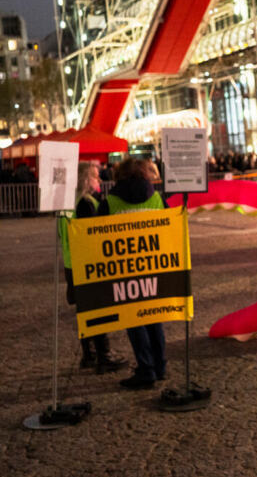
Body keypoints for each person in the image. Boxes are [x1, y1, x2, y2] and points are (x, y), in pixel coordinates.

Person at [97, 157, 168, 390]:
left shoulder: (111, 202)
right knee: (154, 316)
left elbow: (96, 236)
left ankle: (146, 369)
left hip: (125, 271)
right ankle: (160, 366)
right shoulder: (157, 199)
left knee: (134, 319)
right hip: (155, 268)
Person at [61, 162, 128, 374]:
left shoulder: (67, 203)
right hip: (88, 264)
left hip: (71, 264)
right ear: (85, 179)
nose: (98, 181)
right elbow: (93, 237)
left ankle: (88, 355)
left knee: (84, 310)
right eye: (95, 177)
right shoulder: (86, 203)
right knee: (97, 310)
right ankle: (104, 357)